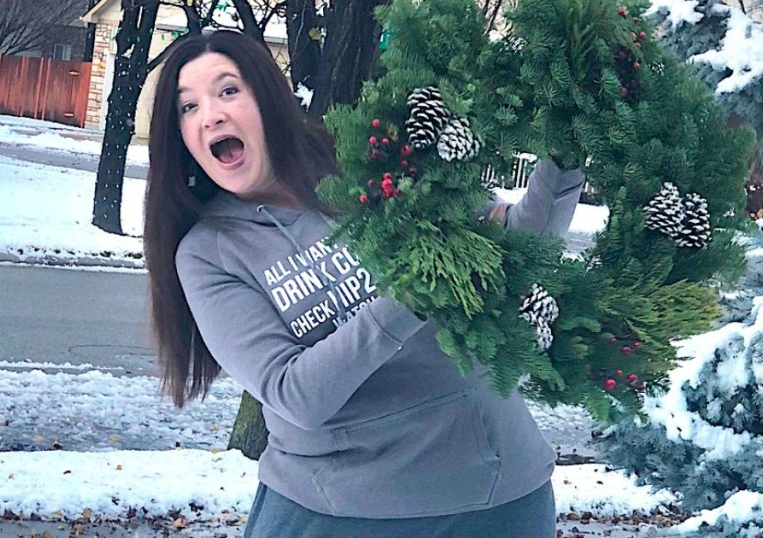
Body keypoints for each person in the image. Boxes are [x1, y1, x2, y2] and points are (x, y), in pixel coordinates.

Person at [143, 30, 585, 538]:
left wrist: (566, 146)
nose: (211, 115)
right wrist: (412, 289)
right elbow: (296, 394)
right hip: (337, 514)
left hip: (498, 497)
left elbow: (517, 239)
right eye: (187, 107)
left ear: (267, 97)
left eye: (228, 91)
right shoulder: (209, 252)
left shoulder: (366, 166)